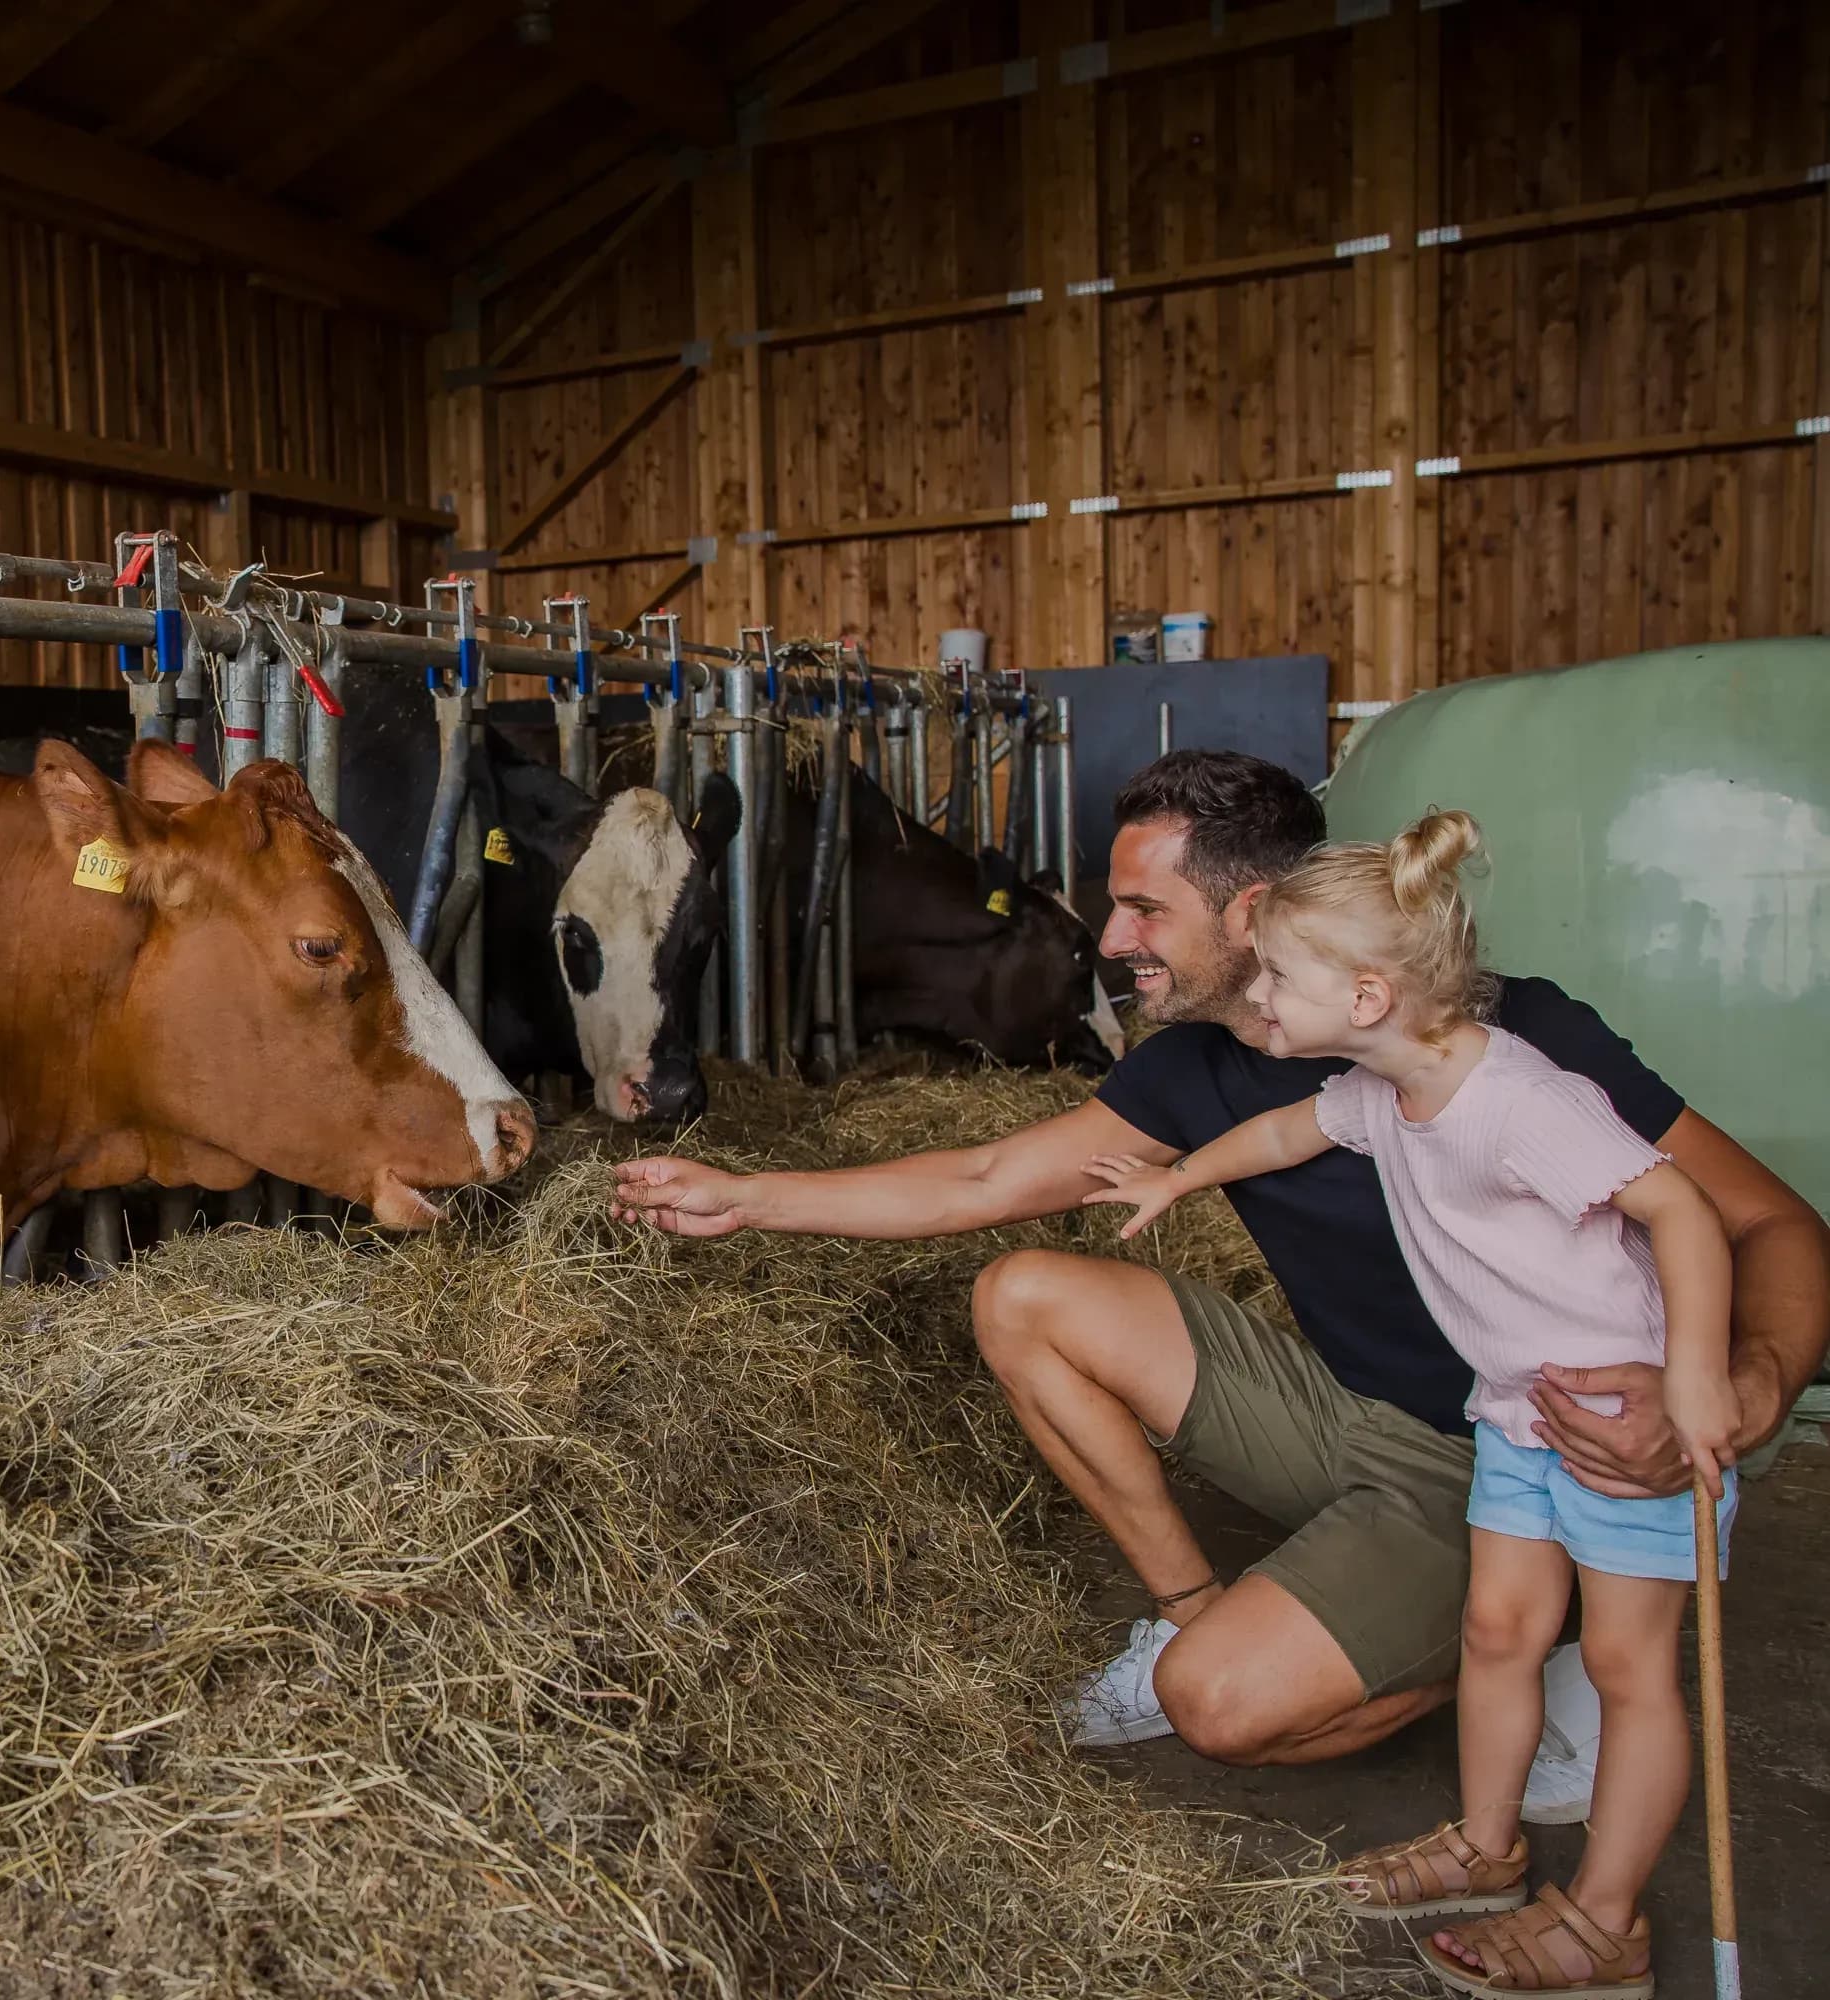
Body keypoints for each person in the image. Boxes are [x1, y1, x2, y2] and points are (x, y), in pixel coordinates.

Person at [608, 751, 1826, 1795]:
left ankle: (1533, 1618)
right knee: (1023, 1291)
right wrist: (750, 1194)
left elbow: (1773, 1223)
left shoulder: (1513, 1040)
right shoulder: (1198, 1062)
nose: (1112, 936)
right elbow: (983, 1182)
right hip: (1356, 1413)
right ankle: (1199, 1608)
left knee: (1226, 1708)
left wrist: (1736, 1390)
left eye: (1145, 909)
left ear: (1251, 914)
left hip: (1526, 1441)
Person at [1085, 810, 1730, 1995]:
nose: (1259, 994)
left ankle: (1604, 1917)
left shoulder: (1526, 1098)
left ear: (1370, 996)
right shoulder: (1387, 1091)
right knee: (1497, 1631)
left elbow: (1681, 1210)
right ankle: (1489, 1842)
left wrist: (1694, 1374)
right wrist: (1181, 1174)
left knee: (1637, 1672)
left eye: (1278, 974)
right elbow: (1282, 1130)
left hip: (1622, 1432)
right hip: (1516, 1418)